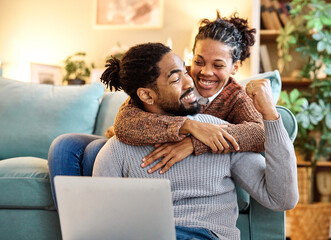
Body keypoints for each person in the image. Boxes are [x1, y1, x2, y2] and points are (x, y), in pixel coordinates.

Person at [93, 42, 299, 240]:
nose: (189, 82)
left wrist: (270, 114)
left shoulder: (219, 133)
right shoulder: (118, 147)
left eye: (185, 71)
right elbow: (103, 223)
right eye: (175, 79)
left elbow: (282, 198)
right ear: (146, 95)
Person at [109, 11, 265, 174]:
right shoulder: (175, 79)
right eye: (198, 61)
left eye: (218, 65)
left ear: (235, 67)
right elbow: (124, 121)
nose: (206, 72)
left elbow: (260, 134)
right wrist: (190, 126)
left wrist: (194, 142)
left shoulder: (237, 97)